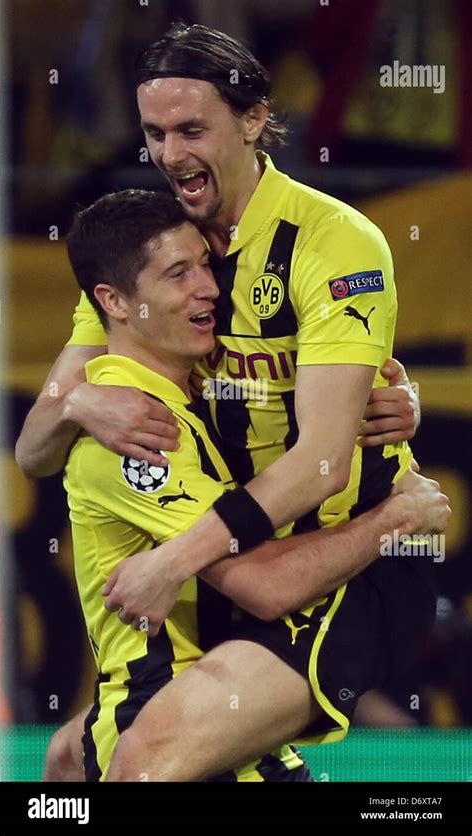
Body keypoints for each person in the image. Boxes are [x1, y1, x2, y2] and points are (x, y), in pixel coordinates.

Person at [15, 24, 439, 780]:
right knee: (70, 767)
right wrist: (78, 405)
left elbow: (319, 462)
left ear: (251, 120)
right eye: (153, 133)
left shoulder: (334, 243)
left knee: (149, 760)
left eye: (191, 130)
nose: (170, 155)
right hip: (240, 557)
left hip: (339, 567)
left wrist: (172, 561)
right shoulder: (158, 247)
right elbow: (32, 447)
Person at [58, 188, 448, 782]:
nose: (210, 289)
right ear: (113, 301)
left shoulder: (199, 397)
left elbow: (64, 762)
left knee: (71, 755)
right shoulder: (140, 435)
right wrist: (400, 517)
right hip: (185, 741)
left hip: (201, 726)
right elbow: (264, 585)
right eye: (178, 274)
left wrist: (389, 395)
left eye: (207, 267)